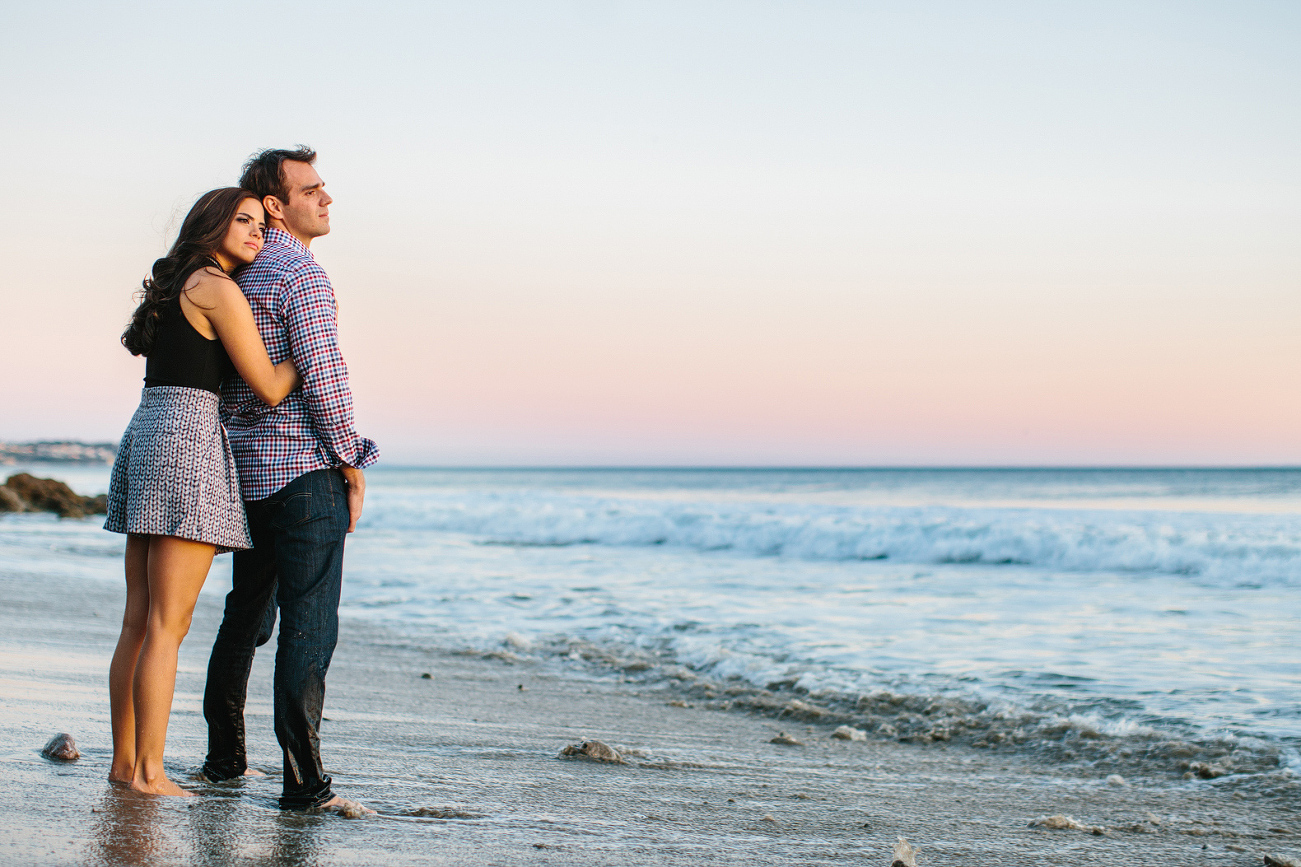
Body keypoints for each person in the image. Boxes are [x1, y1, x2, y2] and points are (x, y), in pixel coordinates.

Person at [200, 146, 379, 813]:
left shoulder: (236, 271)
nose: (326, 198)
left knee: (245, 614)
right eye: (311, 189)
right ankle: (305, 784)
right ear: (275, 204)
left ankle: (224, 758)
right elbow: (325, 379)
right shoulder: (298, 272)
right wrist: (351, 458)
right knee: (309, 624)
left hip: (245, 477)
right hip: (303, 473)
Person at [106, 188, 301, 796]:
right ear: (210, 225)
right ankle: (150, 773)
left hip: (149, 429)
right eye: (241, 221)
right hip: (187, 440)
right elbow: (268, 386)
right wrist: (304, 353)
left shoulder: (176, 285)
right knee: (169, 623)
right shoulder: (217, 288)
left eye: (259, 225)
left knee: (138, 621)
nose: (255, 232)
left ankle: (125, 764)